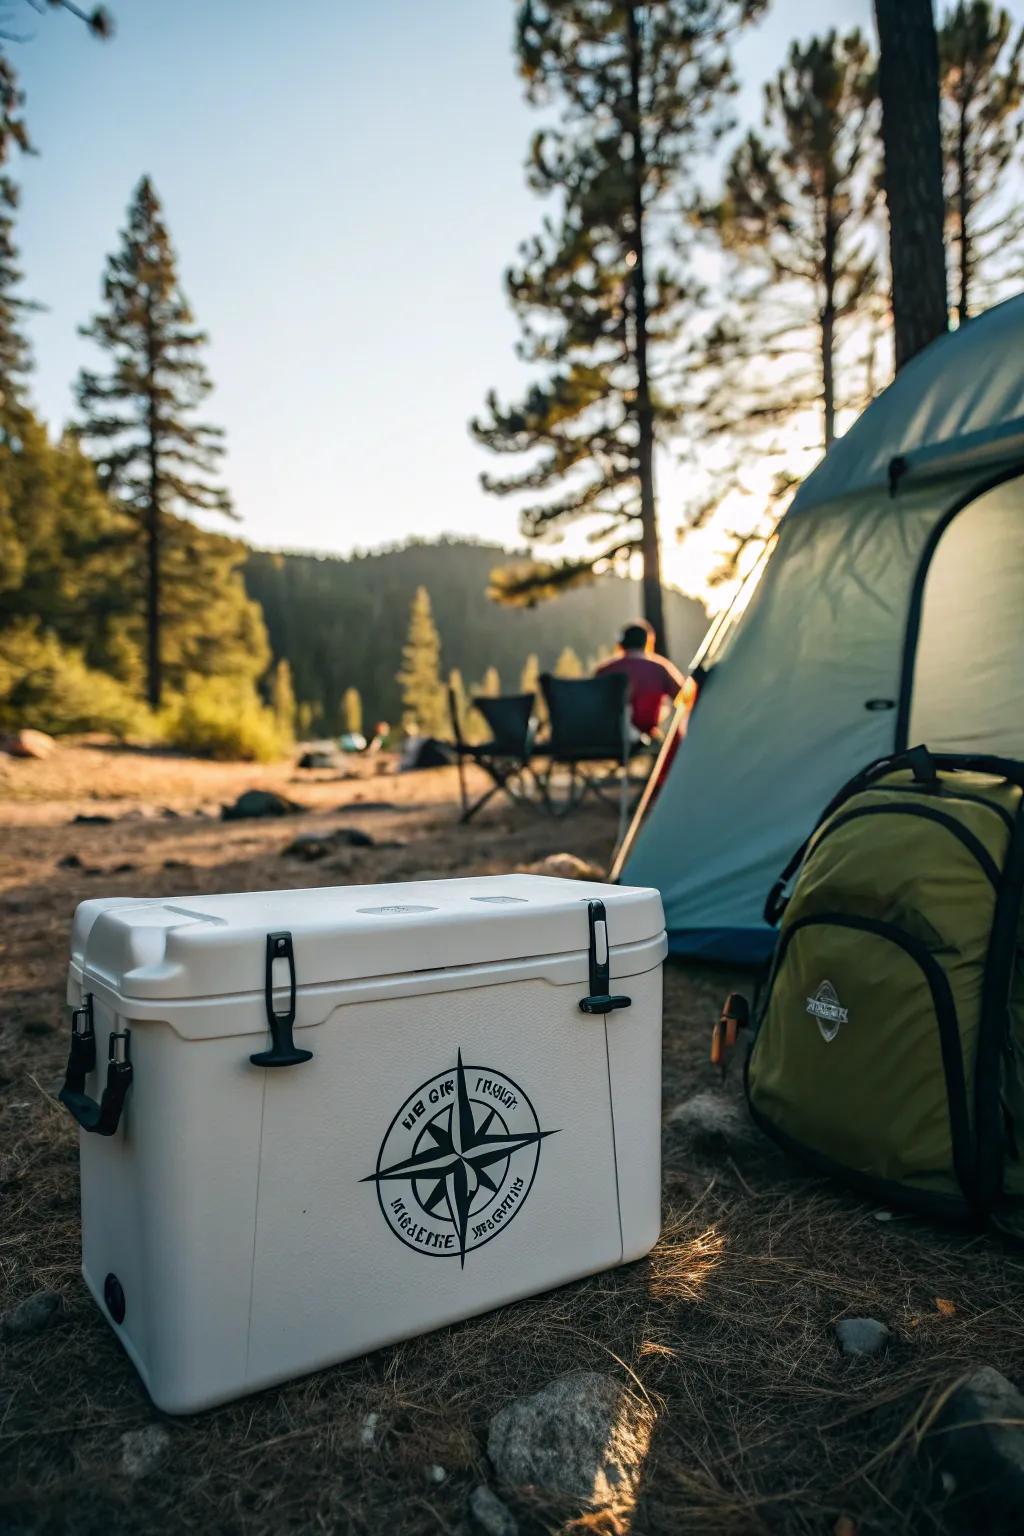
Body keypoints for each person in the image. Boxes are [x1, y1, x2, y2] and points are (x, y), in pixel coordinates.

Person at [595, 620, 686, 737]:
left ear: (621, 644)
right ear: (647, 643)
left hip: (609, 736)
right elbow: (685, 698)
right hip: (646, 736)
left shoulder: (604, 671)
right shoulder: (660, 669)